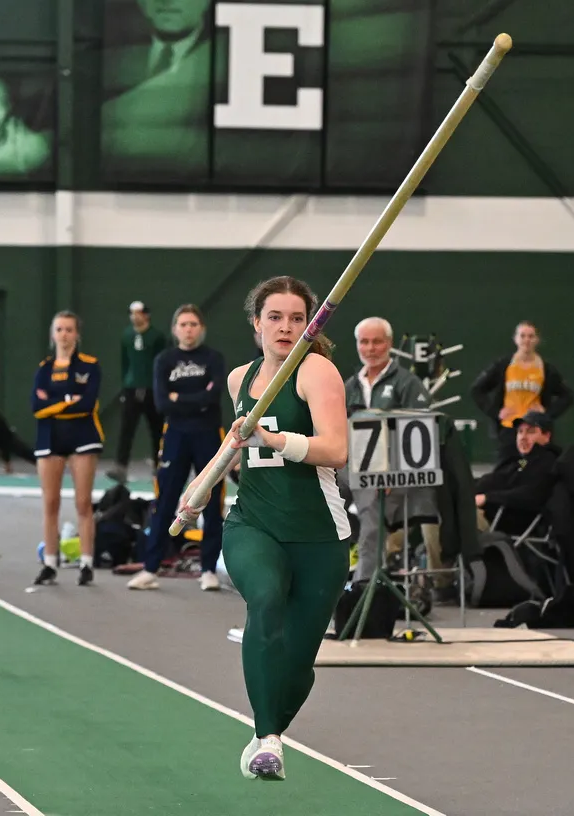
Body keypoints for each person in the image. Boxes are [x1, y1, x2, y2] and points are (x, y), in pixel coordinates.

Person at [175, 276, 350, 782]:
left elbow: (335, 450)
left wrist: (274, 440)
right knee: (266, 598)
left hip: (319, 533)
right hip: (252, 522)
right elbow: (235, 444)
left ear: (310, 326)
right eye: (275, 317)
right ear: (256, 323)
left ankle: (266, 735)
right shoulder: (238, 379)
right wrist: (201, 487)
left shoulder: (317, 372)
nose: (285, 327)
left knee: (297, 663)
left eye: (297, 318)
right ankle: (268, 736)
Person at [339, 317, 447, 594]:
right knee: (314, 503)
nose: (370, 348)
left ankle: (363, 594)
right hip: (348, 469)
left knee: (372, 522)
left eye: (377, 341)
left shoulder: (407, 383)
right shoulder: (350, 385)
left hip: (388, 476)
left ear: (389, 344)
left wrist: (394, 470)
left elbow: (423, 433)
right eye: (364, 342)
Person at [127, 304, 226, 591]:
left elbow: (214, 395)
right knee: (165, 502)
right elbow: (161, 404)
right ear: (174, 329)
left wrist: (179, 397)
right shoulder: (164, 360)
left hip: (209, 435)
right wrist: (198, 397)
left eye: (193, 323)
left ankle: (208, 569)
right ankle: (150, 568)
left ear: (201, 328)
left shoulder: (213, 359)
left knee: (211, 501)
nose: (189, 329)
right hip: (175, 436)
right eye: (183, 324)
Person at [32, 311, 103, 587]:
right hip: (49, 439)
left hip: (83, 438)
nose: (64, 334)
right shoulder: (44, 368)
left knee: (83, 503)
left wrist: (53, 403)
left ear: (77, 334)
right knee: (50, 504)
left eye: (69, 329)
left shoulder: (90, 365)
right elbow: (36, 408)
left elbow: (87, 404)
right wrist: (67, 400)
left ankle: (86, 563)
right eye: (59, 329)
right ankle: (50, 562)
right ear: (53, 334)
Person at [470, 320, 573, 461]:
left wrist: (547, 413)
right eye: (522, 336)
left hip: (535, 430)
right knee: (507, 472)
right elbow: (477, 390)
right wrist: (495, 412)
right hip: (509, 428)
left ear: (537, 340)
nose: (527, 340)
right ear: (516, 339)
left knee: (534, 473)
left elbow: (567, 396)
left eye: (531, 336)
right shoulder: (504, 366)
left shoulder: (545, 369)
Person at [109, 301, 167, 483]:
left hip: (152, 388)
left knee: (157, 429)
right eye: (132, 313)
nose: (135, 316)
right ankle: (120, 467)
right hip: (131, 388)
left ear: (146, 315)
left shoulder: (157, 337)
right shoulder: (127, 335)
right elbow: (124, 362)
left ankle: (159, 466)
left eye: (139, 313)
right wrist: (127, 384)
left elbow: (161, 363)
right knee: (126, 429)